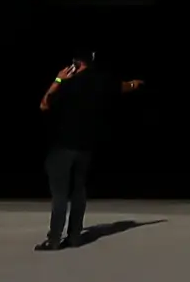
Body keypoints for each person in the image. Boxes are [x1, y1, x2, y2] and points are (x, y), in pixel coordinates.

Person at [37, 47, 142, 250]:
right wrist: (134, 83)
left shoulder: (68, 84)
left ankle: (54, 239)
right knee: (78, 191)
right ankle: (74, 236)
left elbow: (44, 104)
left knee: (60, 194)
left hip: (63, 146)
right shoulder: (102, 81)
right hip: (86, 147)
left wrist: (58, 80)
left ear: (76, 63)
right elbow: (122, 87)